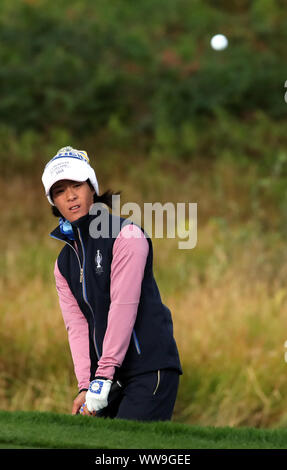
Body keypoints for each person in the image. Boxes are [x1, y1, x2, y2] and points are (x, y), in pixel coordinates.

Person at [42, 146, 182, 421]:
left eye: (76, 185)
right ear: (53, 202)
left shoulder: (126, 236)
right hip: (107, 379)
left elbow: (123, 307)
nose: (70, 196)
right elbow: (77, 326)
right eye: (59, 191)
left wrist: (103, 376)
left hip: (148, 368)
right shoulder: (63, 264)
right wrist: (86, 384)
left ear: (92, 188)